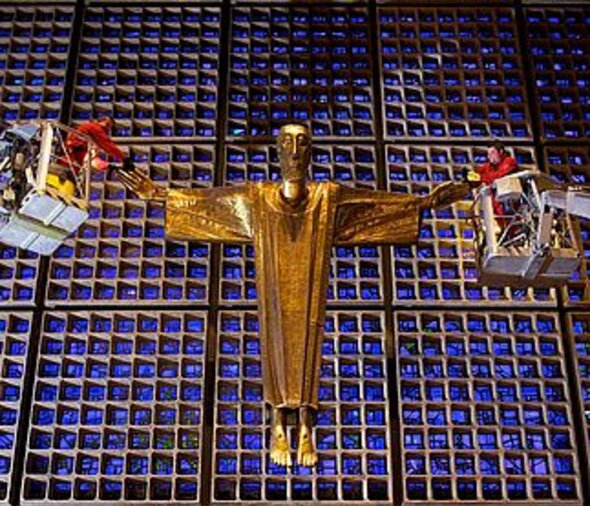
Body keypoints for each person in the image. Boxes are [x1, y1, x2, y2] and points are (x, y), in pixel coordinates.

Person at [118, 123, 468, 468]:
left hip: (310, 283)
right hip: (274, 284)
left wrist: (424, 204)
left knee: (308, 336)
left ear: (311, 152)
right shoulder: (256, 199)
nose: (295, 152)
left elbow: (372, 206)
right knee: (275, 335)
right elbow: (211, 204)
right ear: (278, 151)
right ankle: (278, 423)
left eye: (302, 143)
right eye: (287, 143)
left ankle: (304, 424)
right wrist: (162, 196)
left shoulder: (328, 198)